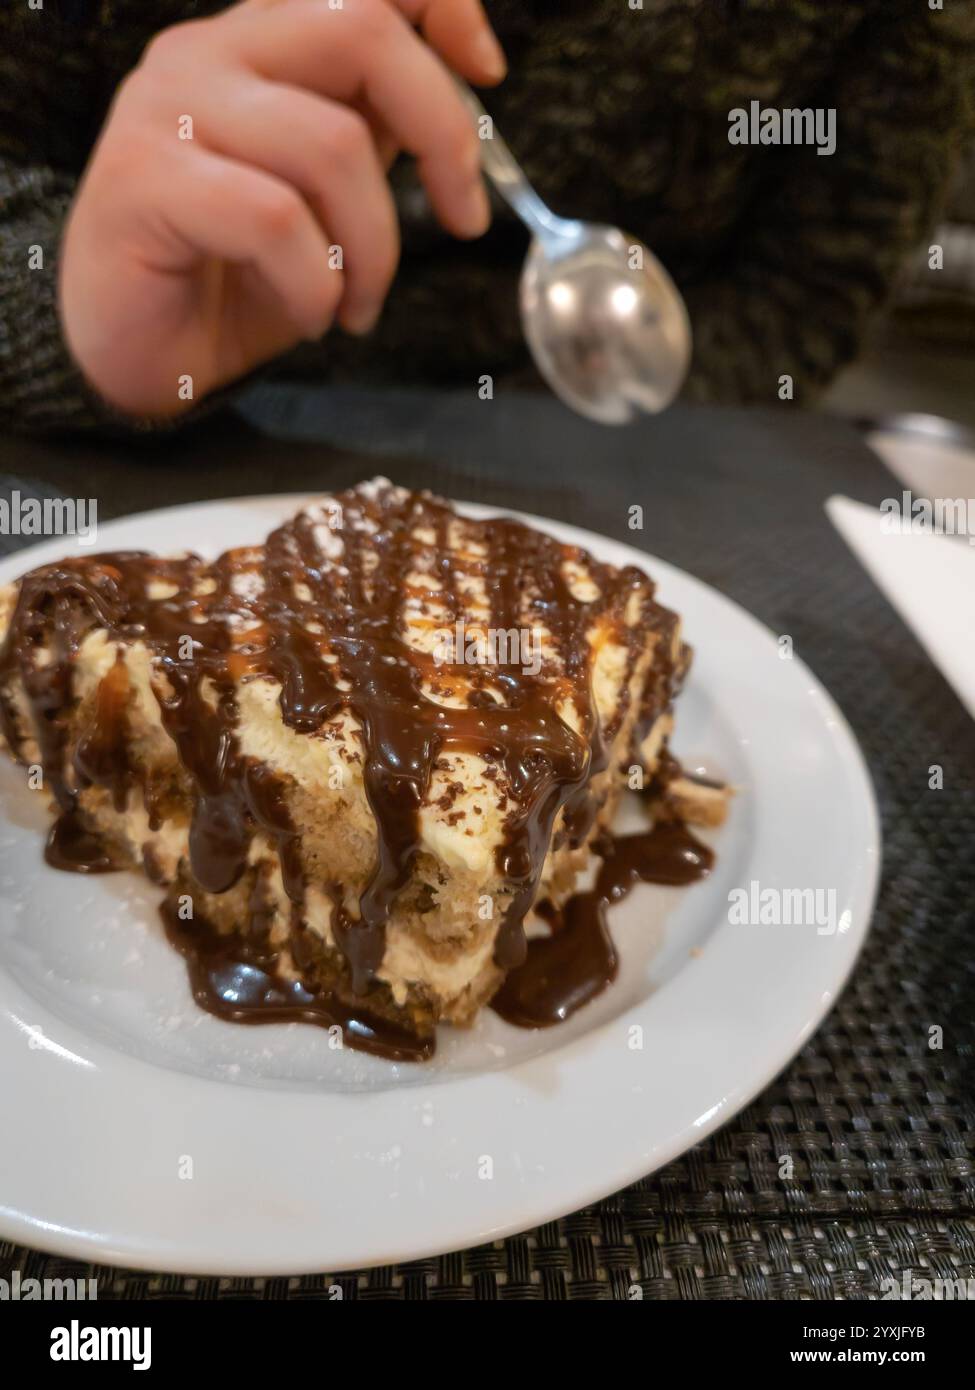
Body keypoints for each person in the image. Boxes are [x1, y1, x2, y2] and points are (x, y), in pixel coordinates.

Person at [1, 0, 972, 434]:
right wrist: (64, 315)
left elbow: (804, 302)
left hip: (627, 465)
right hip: (148, 452)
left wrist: (532, 439)